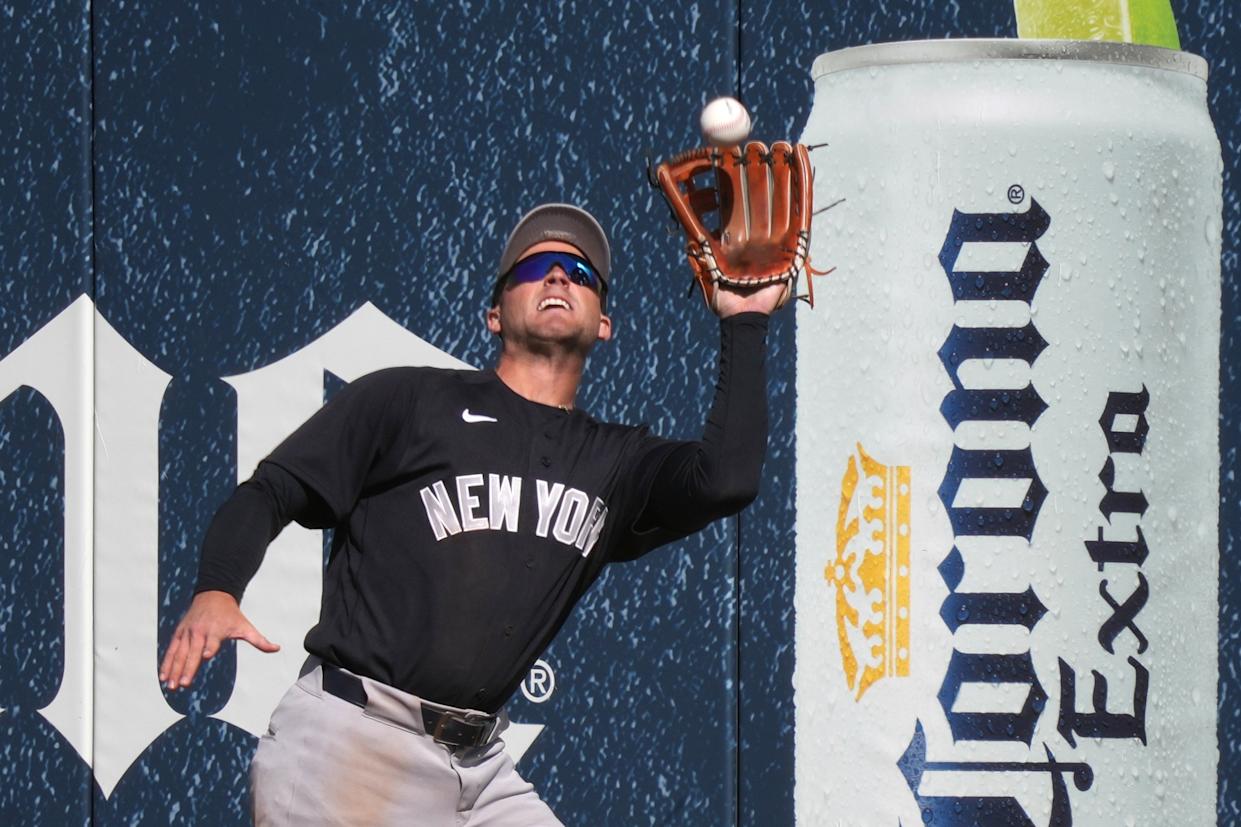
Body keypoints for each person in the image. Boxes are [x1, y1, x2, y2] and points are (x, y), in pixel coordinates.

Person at [159, 203, 784, 825]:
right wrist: (217, 586)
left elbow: (726, 479)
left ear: (605, 326)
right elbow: (272, 489)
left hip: (477, 767)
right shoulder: (407, 401)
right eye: (534, 266)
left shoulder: (617, 463)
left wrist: (745, 322)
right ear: (493, 314)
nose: (559, 276)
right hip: (351, 743)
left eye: (579, 271)